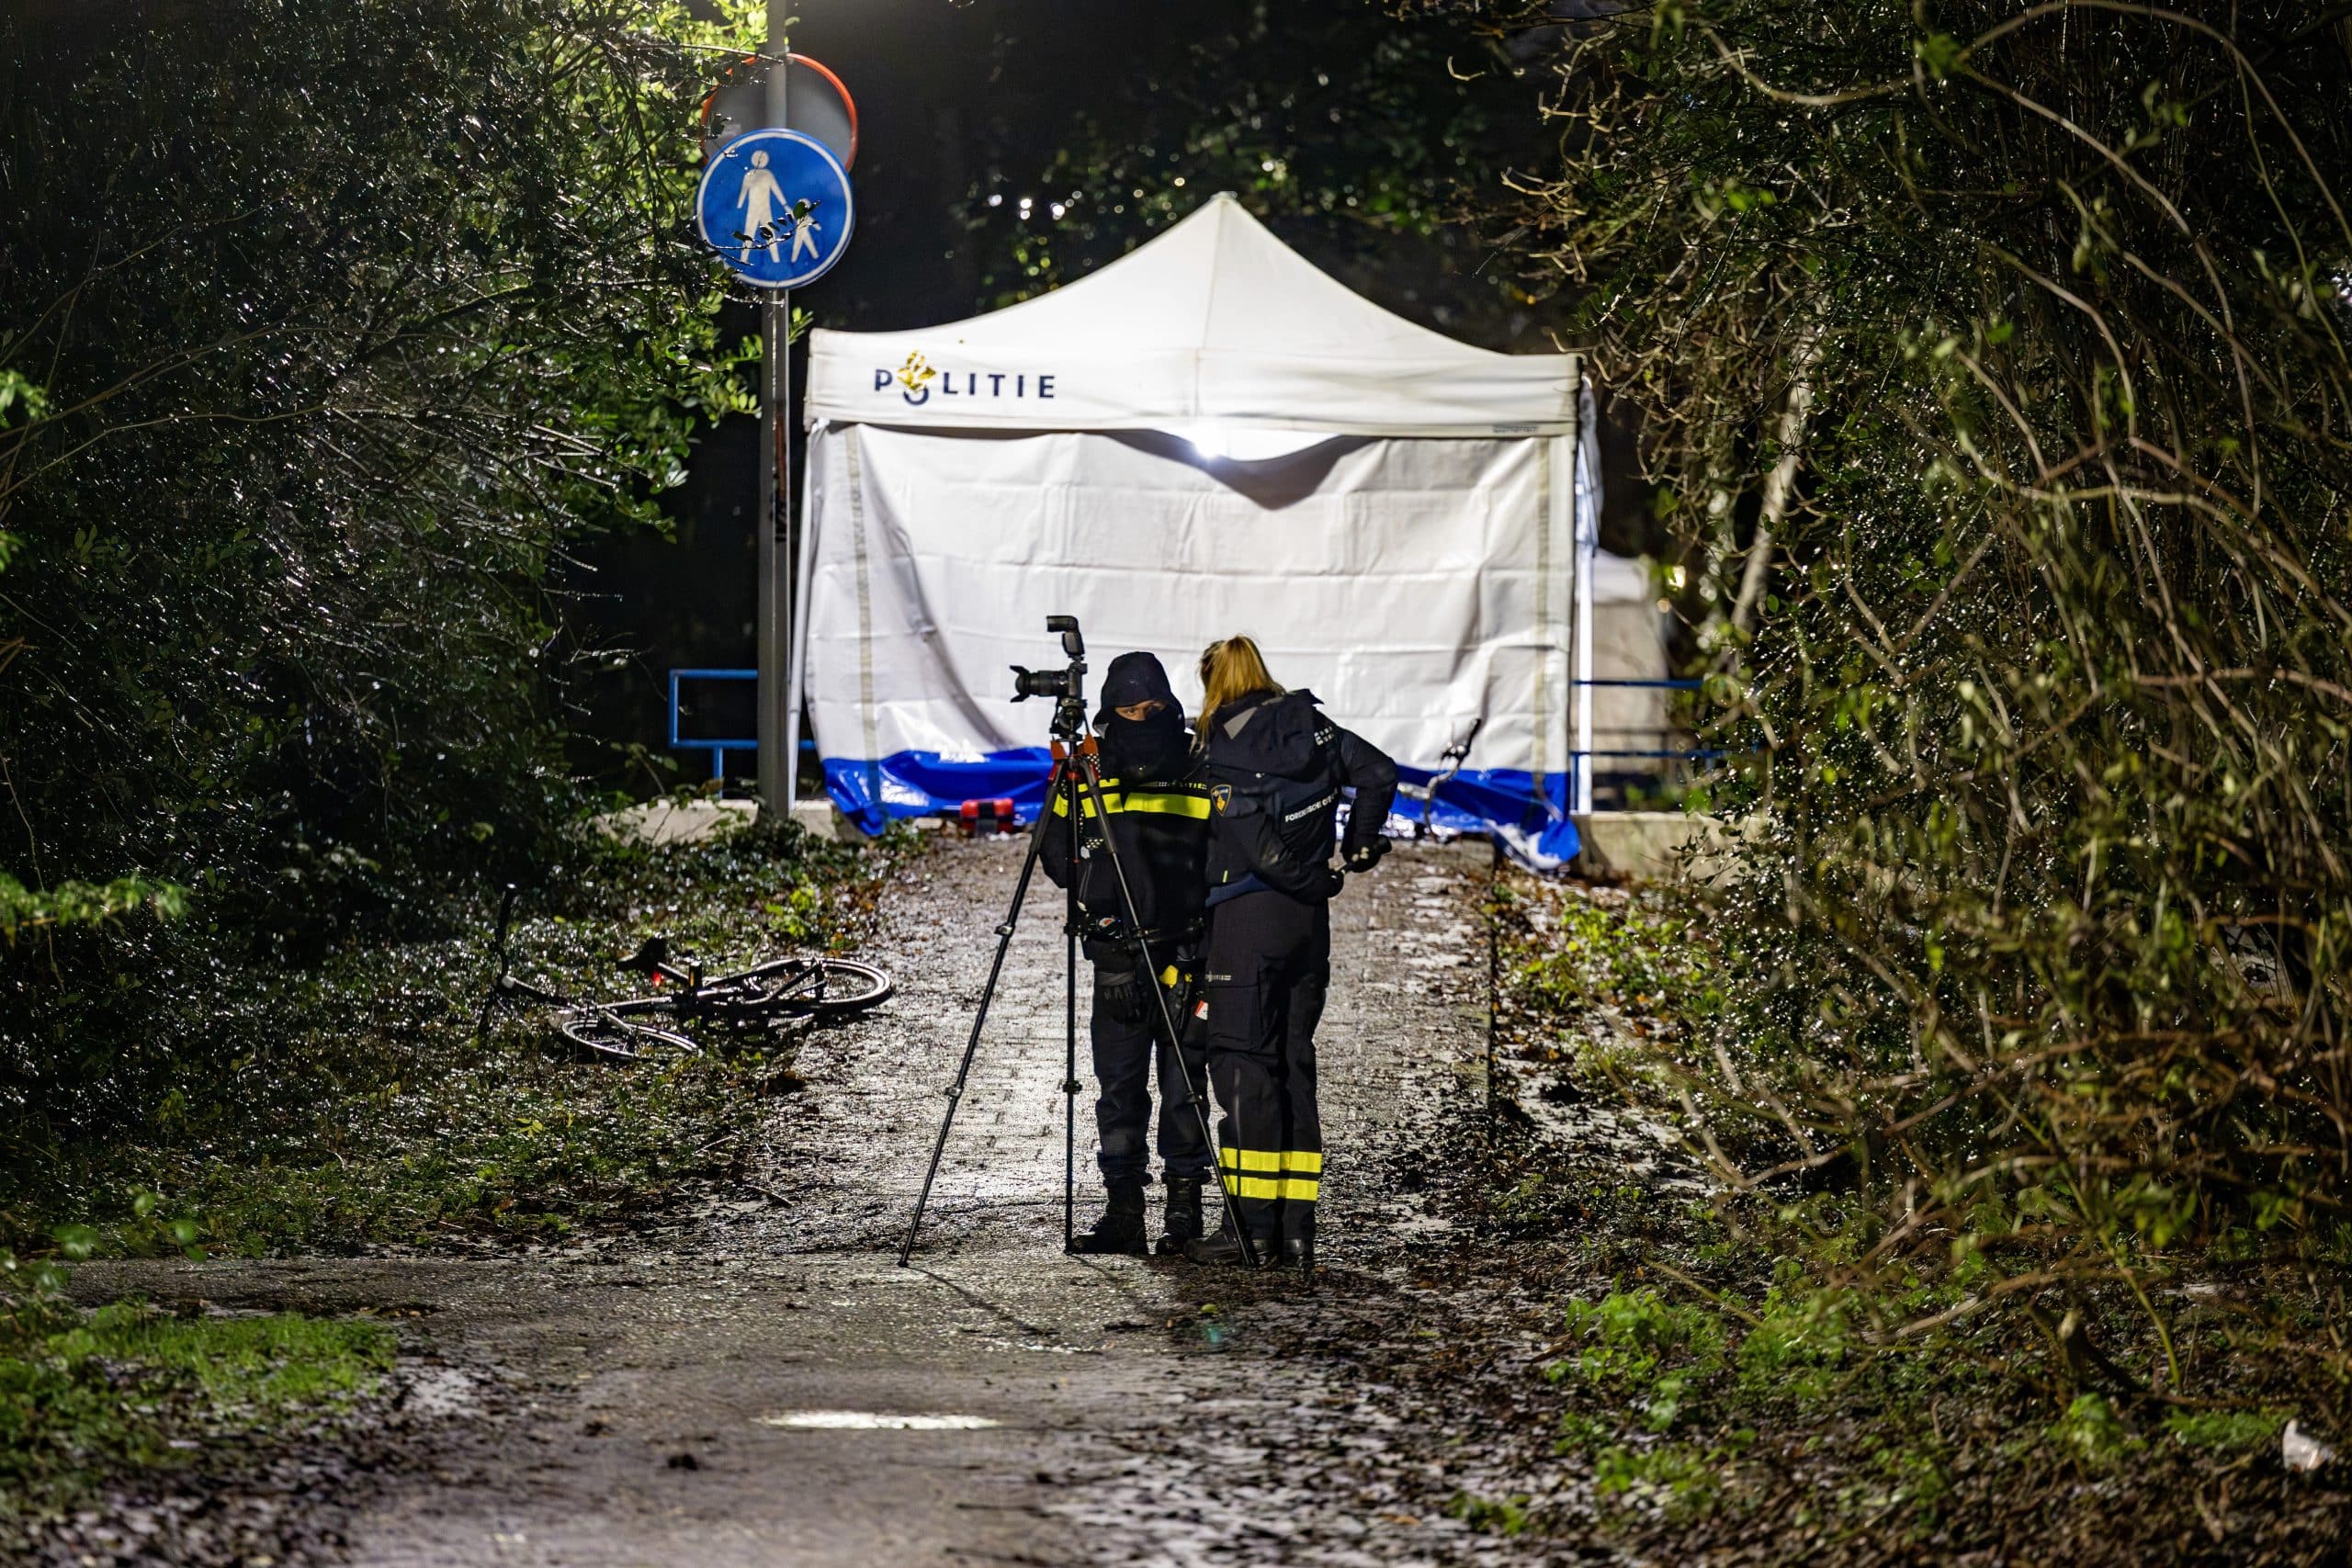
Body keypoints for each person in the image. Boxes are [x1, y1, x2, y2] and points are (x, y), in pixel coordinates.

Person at [1182, 636, 1396, 1274]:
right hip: (1309, 929)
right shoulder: (1314, 726)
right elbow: (1380, 772)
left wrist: (1306, 877)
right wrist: (1355, 846)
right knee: (1293, 1067)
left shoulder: (1216, 747)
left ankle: (1250, 1231)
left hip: (1247, 925)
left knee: (1244, 1071)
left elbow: (1247, 841)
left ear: (1214, 683)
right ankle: (1297, 1230)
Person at [1040, 651, 1218, 1256]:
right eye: (1130, 710)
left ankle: (1171, 1210)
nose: (1141, 719)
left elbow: (1058, 861)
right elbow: (1057, 862)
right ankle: (1138, 1212)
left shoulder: (1125, 769)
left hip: (1169, 954)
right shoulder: (1187, 765)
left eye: (1148, 709)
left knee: (1174, 1085)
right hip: (1137, 954)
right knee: (1132, 1088)